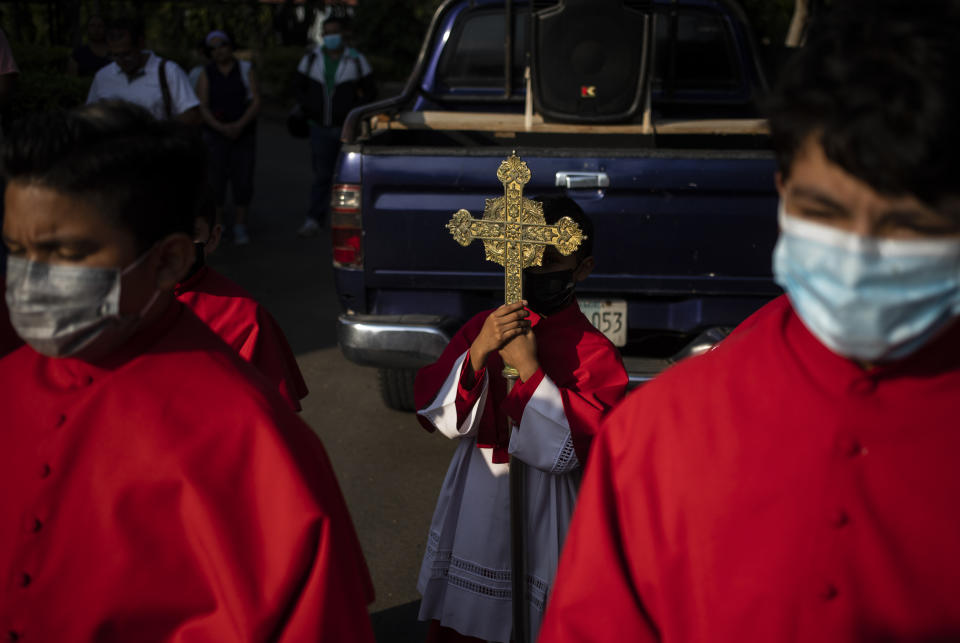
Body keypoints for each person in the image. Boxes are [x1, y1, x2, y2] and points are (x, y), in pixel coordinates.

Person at [538, 3, 960, 642]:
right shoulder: (660, 435)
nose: (859, 254)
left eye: (910, 228)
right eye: (825, 211)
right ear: (784, 187)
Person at [0, 101, 374, 640]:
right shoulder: (8, 380)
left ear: (169, 260)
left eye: (64, 253)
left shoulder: (252, 440)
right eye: (17, 251)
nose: (32, 279)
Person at [414, 196, 628, 642]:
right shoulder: (484, 326)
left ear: (582, 267)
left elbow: (575, 450)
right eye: (525, 259)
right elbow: (437, 413)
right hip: (479, 490)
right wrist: (478, 353)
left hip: (547, 505)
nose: (533, 271)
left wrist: (530, 371)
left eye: (549, 260)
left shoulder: (592, 350)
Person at [175, 194, 308, 411]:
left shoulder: (246, 318)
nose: (172, 248)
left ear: (213, 238)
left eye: (190, 234)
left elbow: (272, 424)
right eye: (158, 234)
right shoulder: (114, 306)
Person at [294, 15, 375, 237]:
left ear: (343, 34)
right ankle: (314, 218)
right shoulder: (311, 59)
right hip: (318, 127)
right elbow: (298, 87)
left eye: (334, 32)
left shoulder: (357, 60)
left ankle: (348, 222)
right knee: (322, 175)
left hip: (346, 129)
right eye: (327, 33)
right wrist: (310, 108)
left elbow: (370, 93)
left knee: (347, 177)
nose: (331, 37)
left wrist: (353, 112)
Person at [195, 30, 260, 245]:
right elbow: (202, 105)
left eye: (222, 45)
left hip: (243, 133)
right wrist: (220, 127)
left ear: (230, 46)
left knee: (243, 179)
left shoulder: (245, 69)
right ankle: (219, 226)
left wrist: (239, 125)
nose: (218, 51)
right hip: (215, 134)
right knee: (216, 181)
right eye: (212, 48)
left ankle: (241, 225)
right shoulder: (206, 72)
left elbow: (255, 101)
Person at [86, 16, 200, 124]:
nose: (121, 61)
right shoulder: (103, 76)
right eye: (115, 55)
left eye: (127, 54)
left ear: (141, 44)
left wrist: (157, 130)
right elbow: (90, 115)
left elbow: (191, 114)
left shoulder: (169, 71)